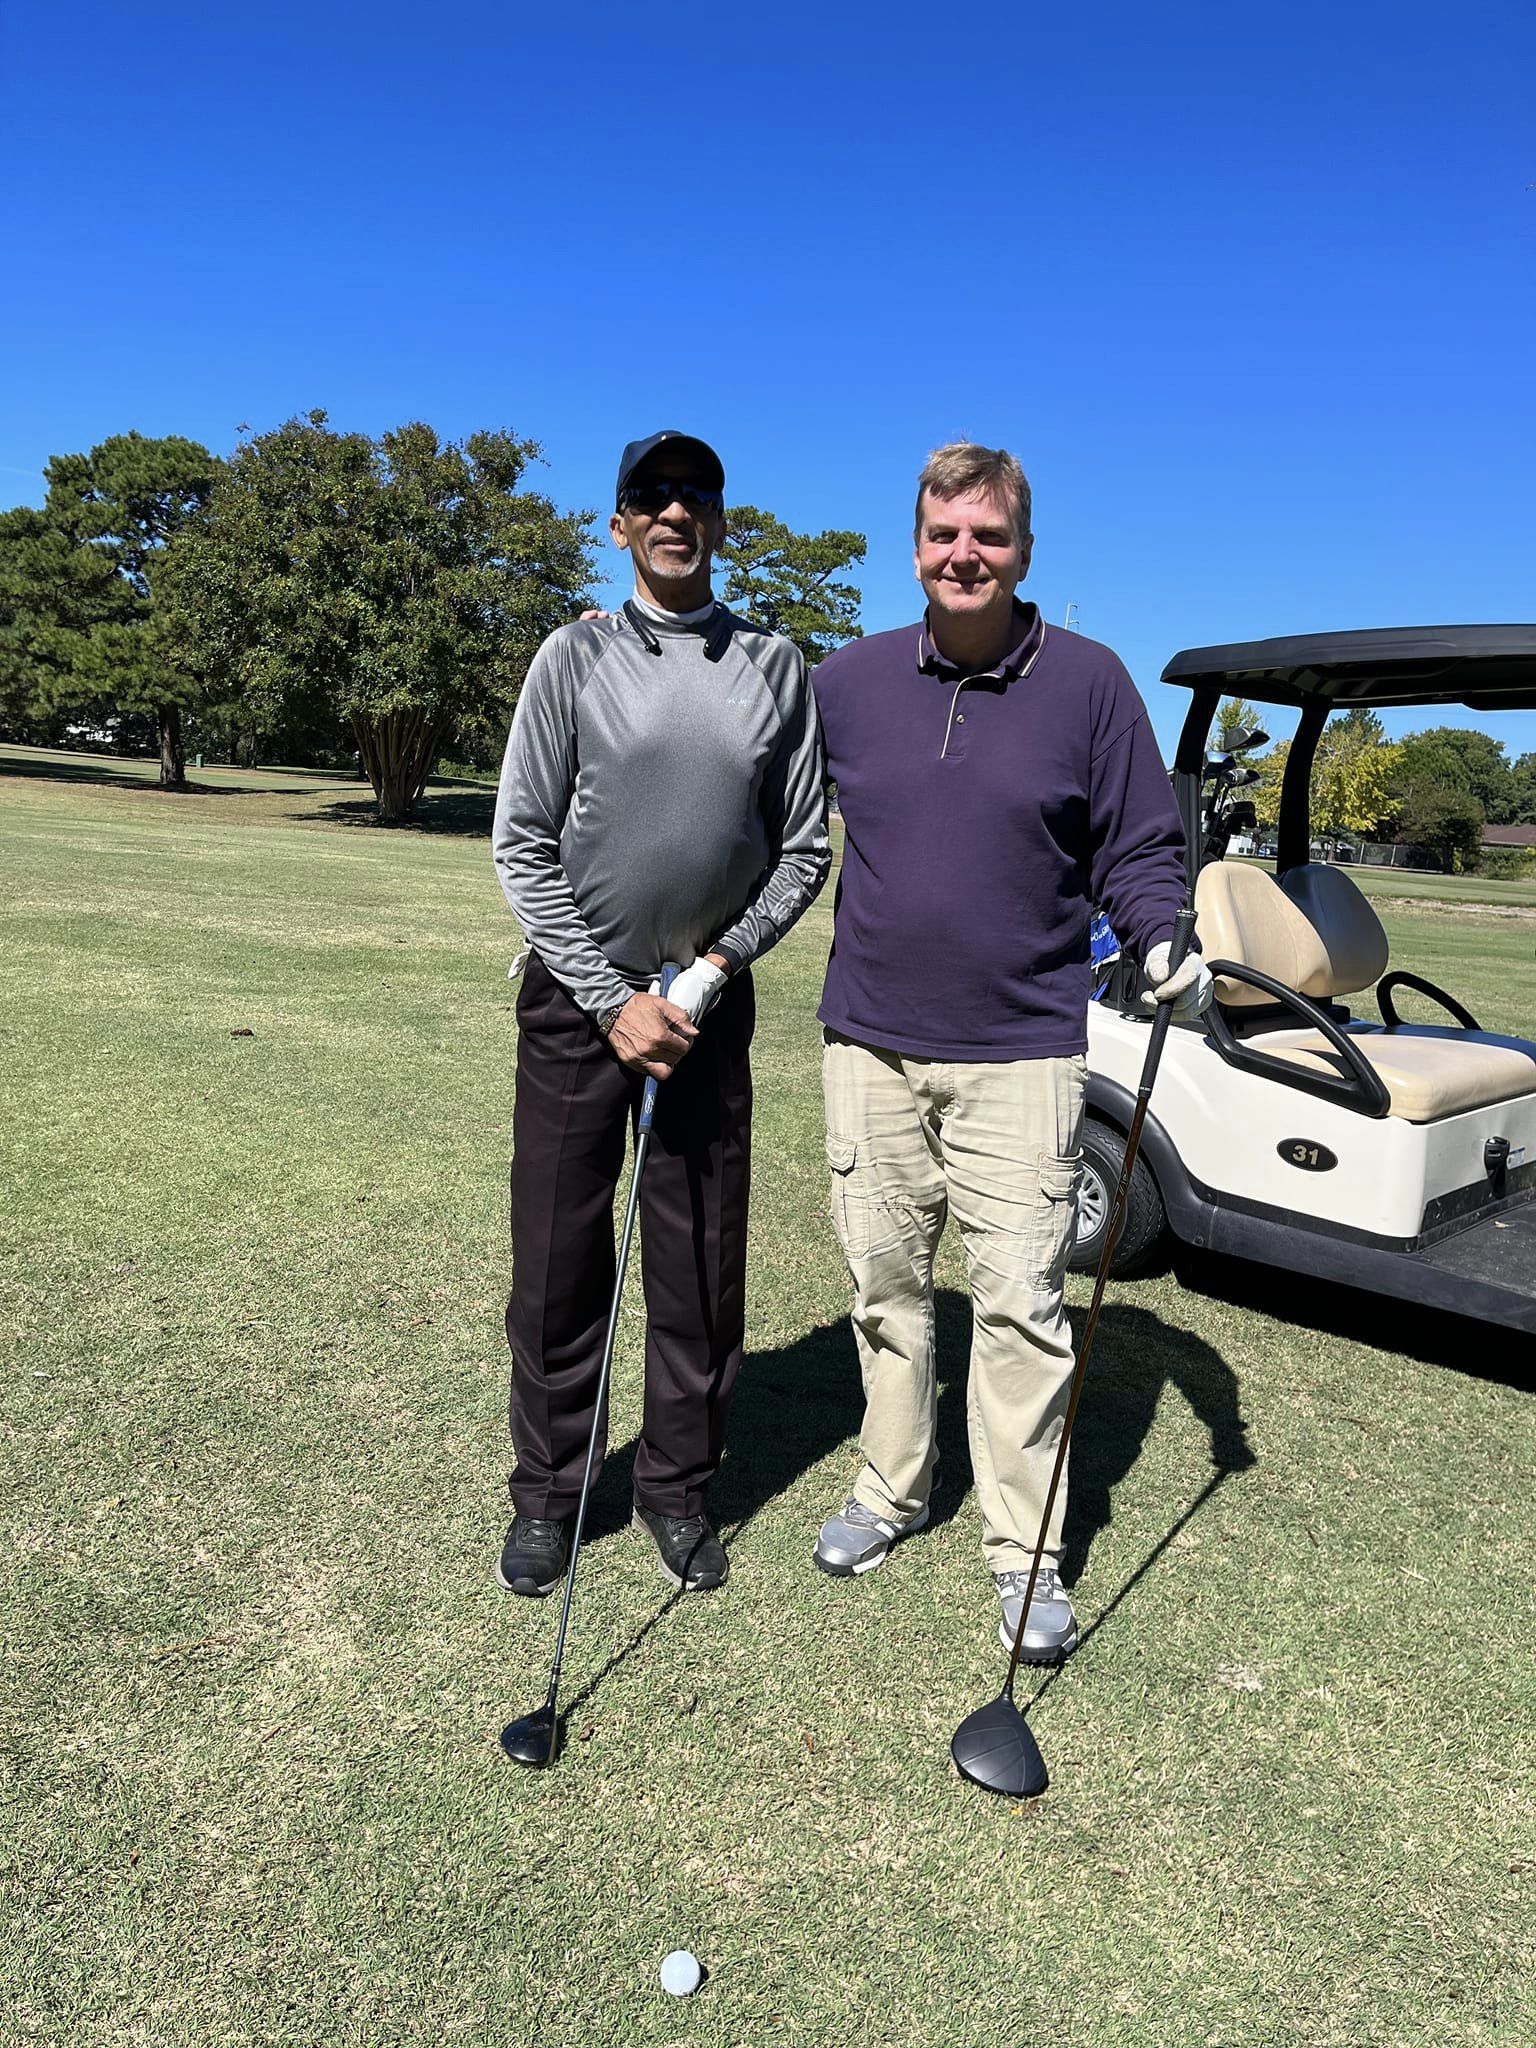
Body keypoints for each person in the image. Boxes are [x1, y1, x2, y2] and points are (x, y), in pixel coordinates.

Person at [809, 442, 1211, 1658]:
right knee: (884, 1289)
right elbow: (756, 796)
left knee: (1024, 1305)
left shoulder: (1090, 682)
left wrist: (1162, 934)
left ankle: (1024, 1551)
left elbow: (1140, 844)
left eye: (988, 535)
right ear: (915, 548)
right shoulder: (848, 680)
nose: (965, 554)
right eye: (945, 534)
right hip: (869, 1042)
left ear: (1025, 550)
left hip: (1023, 1050)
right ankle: (891, 1488)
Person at [491, 430, 829, 1597]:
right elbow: (521, 844)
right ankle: (549, 1494)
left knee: (698, 1263)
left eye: (696, 495)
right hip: (577, 1004)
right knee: (557, 1262)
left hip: (703, 1010)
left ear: (720, 523)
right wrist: (608, 996)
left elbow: (804, 849)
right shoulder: (573, 656)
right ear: (621, 523)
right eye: (652, 495)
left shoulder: (774, 664)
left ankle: (677, 1489)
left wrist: (716, 965)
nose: (676, 511)